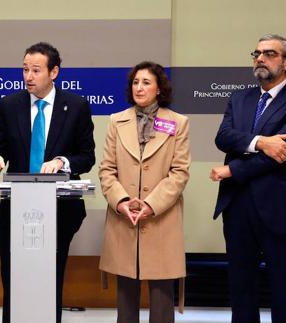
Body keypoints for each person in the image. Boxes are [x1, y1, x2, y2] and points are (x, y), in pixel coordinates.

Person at [210, 34, 286, 323]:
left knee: (284, 287)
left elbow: (284, 152)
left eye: (269, 54)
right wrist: (261, 141)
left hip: (282, 206)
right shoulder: (239, 98)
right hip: (238, 206)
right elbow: (224, 138)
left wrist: (234, 170)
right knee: (240, 285)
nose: (260, 58)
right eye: (257, 53)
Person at [0, 42, 95, 323]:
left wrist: (62, 162)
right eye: (25, 69)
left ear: (54, 72)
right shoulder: (10, 105)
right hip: (15, 209)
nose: (28, 76)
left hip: (60, 210)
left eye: (36, 70)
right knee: (12, 277)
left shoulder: (76, 106)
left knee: (50, 277)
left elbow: (87, 156)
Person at [99, 61, 190, 323]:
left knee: (162, 296)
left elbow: (179, 172)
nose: (139, 88)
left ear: (159, 88)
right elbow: (106, 170)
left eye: (146, 82)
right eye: (135, 82)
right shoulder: (117, 121)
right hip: (124, 217)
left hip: (161, 217)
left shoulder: (178, 123)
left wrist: (151, 204)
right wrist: (122, 201)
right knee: (126, 295)